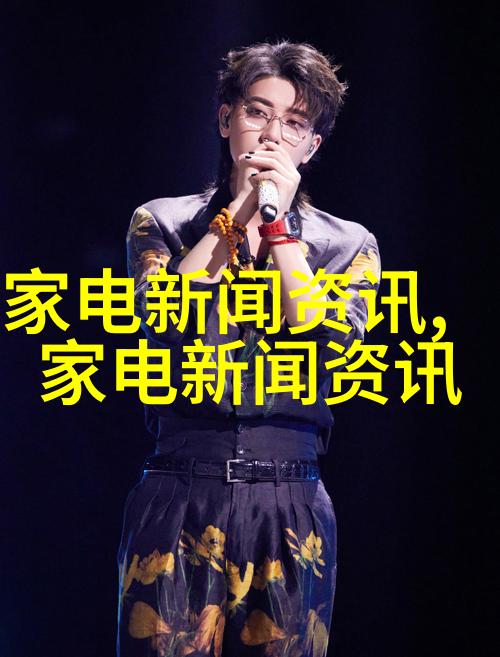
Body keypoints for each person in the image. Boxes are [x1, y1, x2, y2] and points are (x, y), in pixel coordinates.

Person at [117, 39, 381, 657]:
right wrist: (235, 215)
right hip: (179, 488)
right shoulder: (162, 222)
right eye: (257, 112)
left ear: (310, 147)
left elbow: (333, 344)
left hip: (289, 498)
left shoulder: (349, 244)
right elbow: (161, 315)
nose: (271, 135)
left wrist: (277, 226)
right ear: (225, 119)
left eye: (294, 123)